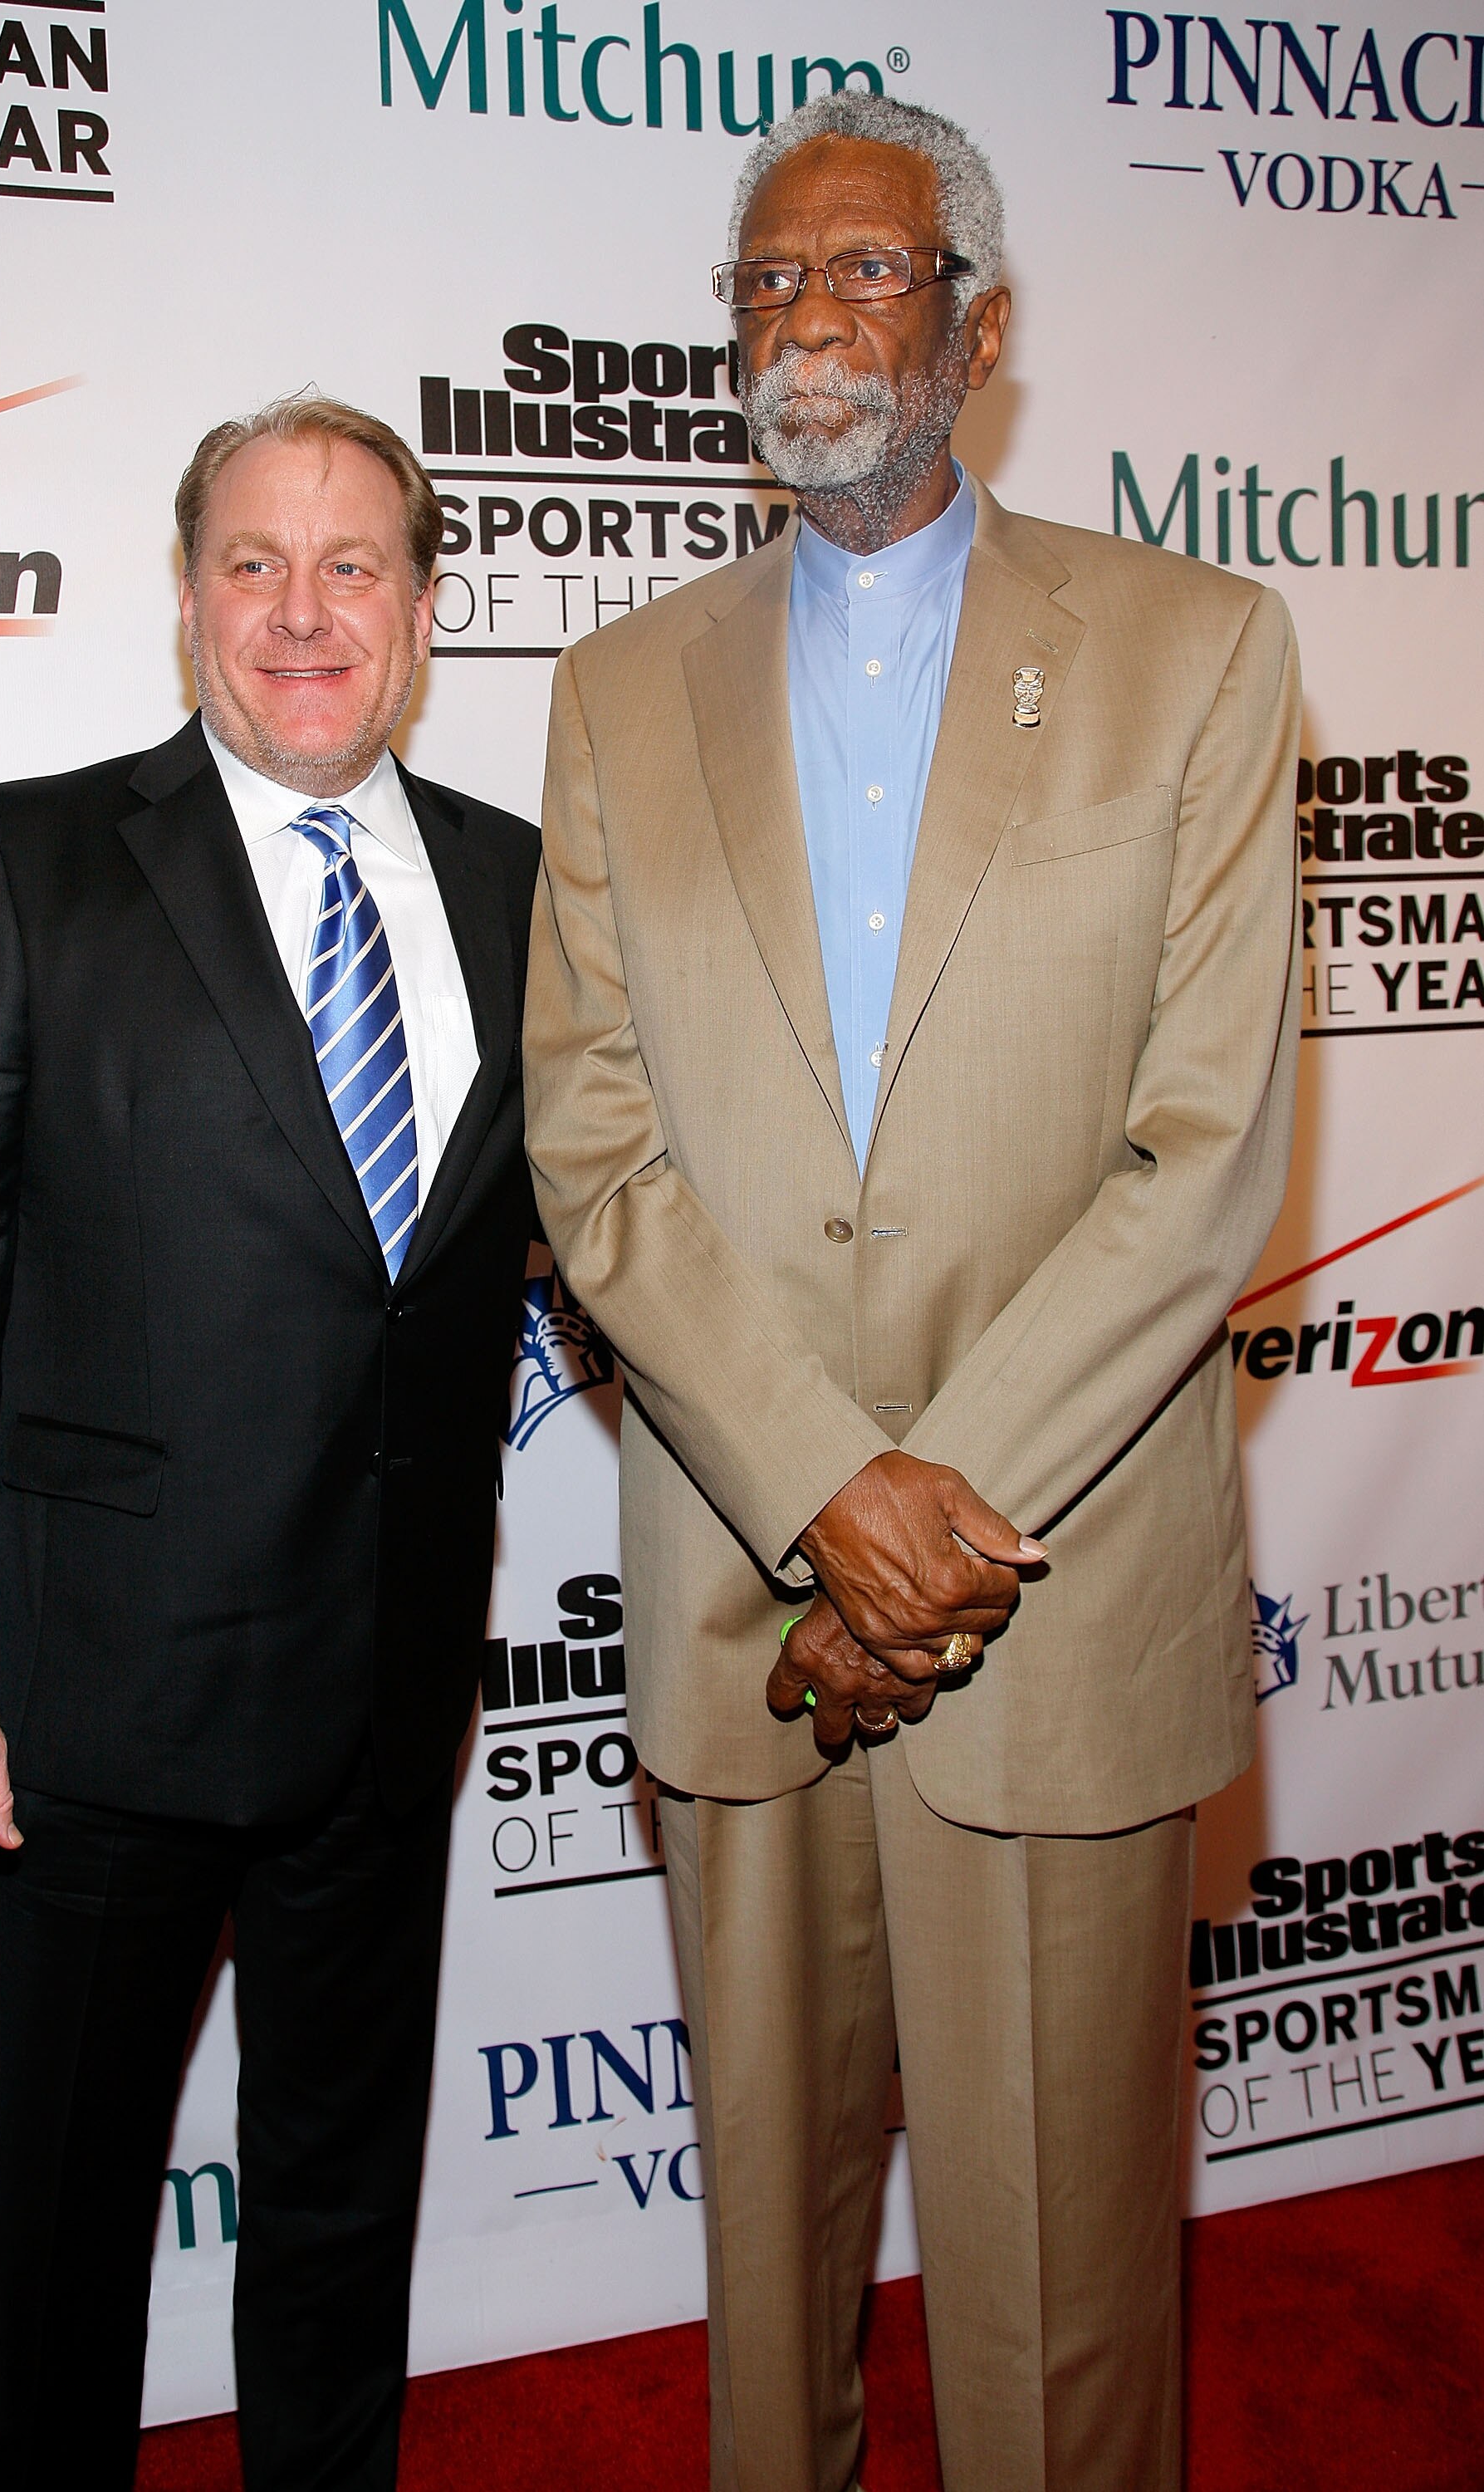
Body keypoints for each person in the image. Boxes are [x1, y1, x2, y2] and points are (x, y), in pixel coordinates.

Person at [524, 90, 1299, 2492]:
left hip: (1047, 1604)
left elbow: (1203, 1157)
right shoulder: (614, 691)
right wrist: (818, 1486)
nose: (803, 323)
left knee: (1061, 2316)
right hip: (742, 1594)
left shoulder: (1194, 651)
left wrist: (921, 1509)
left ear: (977, 328)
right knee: (765, 2315)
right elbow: (592, 1140)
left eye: (858, 273)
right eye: (764, 281)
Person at [0, 395, 540, 2492]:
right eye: (253, 562)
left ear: (421, 609)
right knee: (56, 2252)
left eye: (352, 567)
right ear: (188, 599)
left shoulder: (523, 883)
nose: (302, 615)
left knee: (342, 2220)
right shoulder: (25, 855)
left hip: (391, 1698)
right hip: (86, 1713)